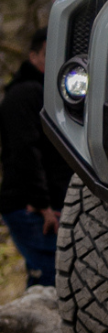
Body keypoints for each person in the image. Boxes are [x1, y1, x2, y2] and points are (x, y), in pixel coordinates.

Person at [0, 29, 73, 287]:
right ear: (34, 56)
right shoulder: (25, 94)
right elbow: (25, 152)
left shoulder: (51, 95)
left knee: (47, 277)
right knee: (55, 277)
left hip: (46, 206)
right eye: (48, 54)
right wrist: (42, 205)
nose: (55, 60)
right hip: (33, 209)